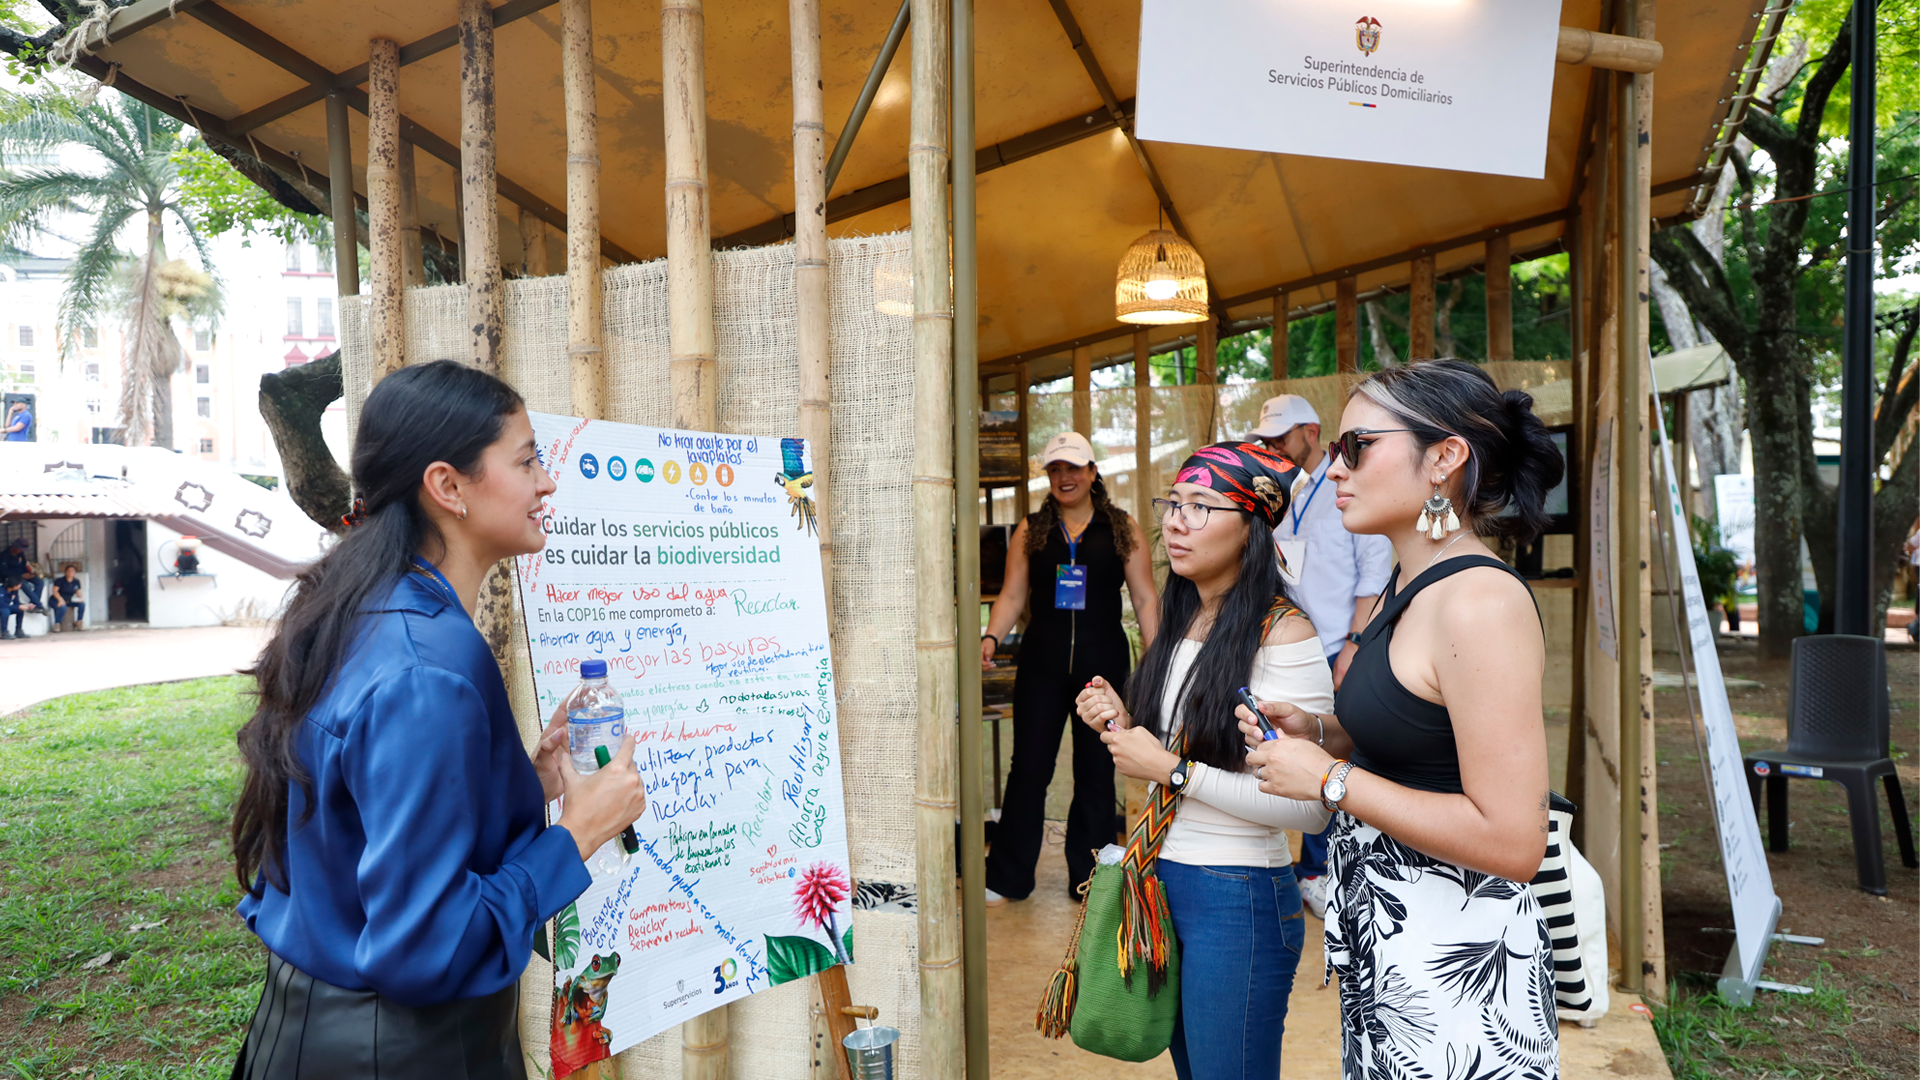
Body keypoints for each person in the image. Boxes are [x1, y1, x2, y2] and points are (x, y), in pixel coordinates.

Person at [228, 360, 649, 1079]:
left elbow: (362, 825)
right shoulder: (429, 667)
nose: (546, 483)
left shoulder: (362, 610)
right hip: (397, 1053)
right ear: (448, 486)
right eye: (525, 461)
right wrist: (579, 833)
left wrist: (528, 781)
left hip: (302, 1036)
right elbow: (427, 946)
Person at [1239, 359, 1564, 1080]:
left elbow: (1515, 841)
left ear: (1445, 458)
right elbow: (1425, 742)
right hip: (1396, 956)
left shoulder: (1479, 602)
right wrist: (1320, 733)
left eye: (1356, 447)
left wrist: (1329, 779)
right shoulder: (1409, 582)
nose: (1334, 471)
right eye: (1332, 451)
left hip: (1460, 975)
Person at [1075, 441, 1332, 1080]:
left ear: (1251, 527)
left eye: (1202, 506)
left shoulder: (1285, 634)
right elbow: (1181, 748)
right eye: (1174, 504)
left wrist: (1169, 769)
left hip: (1238, 894)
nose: (1176, 521)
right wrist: (1122, 722)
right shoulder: (1183, 620)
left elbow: (1307, 805)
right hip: (1167, 881)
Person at [980, 431, 1159, 904]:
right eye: (1056, 468)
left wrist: (1157, 657)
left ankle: (1092, 880)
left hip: (1103, 667)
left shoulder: (1122, 527)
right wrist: (991, 636)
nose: (1065, 477)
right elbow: (1014, 595)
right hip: (1041, 664)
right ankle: (1007, 878)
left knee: (1097, 769)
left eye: (1074, 468)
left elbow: (1144, 597)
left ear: (1093, 472)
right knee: (1029, 770)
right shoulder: (1031, 529)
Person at [1248, 393, 1392, 918]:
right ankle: (1306, 865)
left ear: (1312, 432)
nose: (1272, 447)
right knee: (1287, 748)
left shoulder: (1349, 486)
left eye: (1280, 438)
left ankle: (1318, 870)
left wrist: (1354, 645)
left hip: (1338, 644)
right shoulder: (1285, 489)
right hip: (1287, 642)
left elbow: (1373, 576)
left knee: (1330, 755)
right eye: (1265, 440)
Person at [8, 562, 44, 637]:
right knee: (5, 611)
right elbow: (2, 605)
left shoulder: (14, 591)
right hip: (4, 608)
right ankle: (4, 631)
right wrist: (17, 607)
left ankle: (18, 630)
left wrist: (26, 606)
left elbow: (16, 602)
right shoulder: (2, 591)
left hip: (10, 607)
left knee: (21, 609)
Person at [51, 563, 84, 632]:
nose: (70, 572)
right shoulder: (60, 580)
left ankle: (79, 622)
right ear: (65, 572)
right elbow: (54, 591)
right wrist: (60, 599)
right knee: (63, 607)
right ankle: (57, 624)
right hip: (56, 599)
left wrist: (80, 598)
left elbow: (78, 592)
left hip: (68, 600)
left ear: (75, 573)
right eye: (69, 571)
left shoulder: (76, 581)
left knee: (82, 604)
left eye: (72, 571)